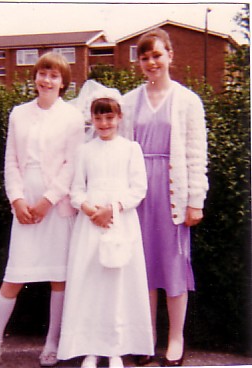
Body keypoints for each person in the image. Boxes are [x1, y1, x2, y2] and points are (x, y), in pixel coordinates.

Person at [0, 52, 85, 368]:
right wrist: (18, 200)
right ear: (35, 77)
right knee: (13, 277)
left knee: (59, 278)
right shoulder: (18, 114)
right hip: (25, 203)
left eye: (54, 76)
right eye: (42, 74)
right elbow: (11, 161)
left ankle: (52, 344)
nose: (47, 80)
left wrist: (47, 200)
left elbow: (72, 164)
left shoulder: (73, 117)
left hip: (57, 206)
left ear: (63, 83)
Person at [122, 28, 209, 366]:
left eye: (157, 55)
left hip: (173, 192)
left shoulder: (188, 101)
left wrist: (195, 200)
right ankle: (147, 338)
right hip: (138, 194)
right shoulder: (128, 101)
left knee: (172, 267)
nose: (151, 63)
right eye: (144, 58)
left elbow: (196, 154)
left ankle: (176, 339)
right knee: (141, 268)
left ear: (170, 56)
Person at [57, 86, 154, 368]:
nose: (104, 124)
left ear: (119, 117)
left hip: (120, 223)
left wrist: (112, 209)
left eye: (109, 118)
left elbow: (139, 189)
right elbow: (76, 190)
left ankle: (115, 348)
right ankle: (90, 347)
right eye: (99, 119)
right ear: (92, 120)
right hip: (90, 226)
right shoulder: (85, 151)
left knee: (118, 286)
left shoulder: (131, 149)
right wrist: (89, 209)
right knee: (91, 285)